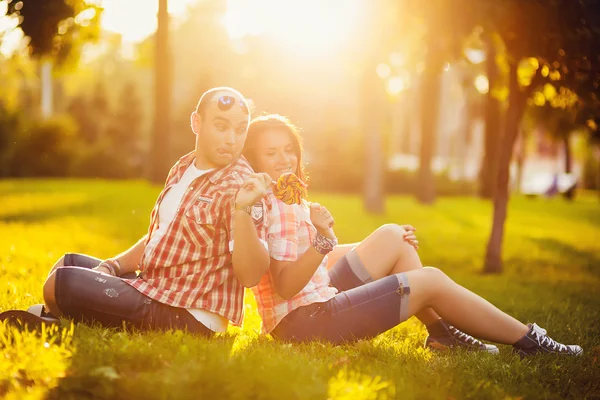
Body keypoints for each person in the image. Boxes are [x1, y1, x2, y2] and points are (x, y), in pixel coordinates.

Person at [241, 114, 583, 357]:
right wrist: (323, 239)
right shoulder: (273, 205)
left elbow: (308, 264)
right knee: (430, 281)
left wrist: (370, 248)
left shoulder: (288, 198)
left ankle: (443, 335)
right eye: (271, 153)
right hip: (304, 324)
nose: (285, 159)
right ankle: (529, 340)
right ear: (253, 161)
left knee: (393, 236)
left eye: (288, 149)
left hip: (309, 305)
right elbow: (285, 284)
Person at [1, 87, 273, 337]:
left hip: (189, 313)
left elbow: (250, 275)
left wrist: (243, 209)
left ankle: (51, 321)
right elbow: (161, 236)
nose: (232, 139)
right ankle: (53, 320)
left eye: (240, 130)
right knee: (67, 263)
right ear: (196, 123)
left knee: (60, 283)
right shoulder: (184, 167)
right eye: (221, 127)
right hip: (157, 287)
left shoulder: (242, 185)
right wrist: (113, 266)